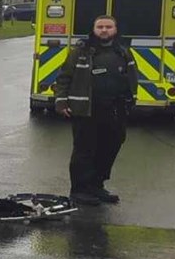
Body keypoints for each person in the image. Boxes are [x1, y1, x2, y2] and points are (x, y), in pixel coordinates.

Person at [54, 14, 137, 206]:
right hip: (87, 109)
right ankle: (79, 190)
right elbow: (64, 77)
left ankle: (96, 186)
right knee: (85, 150)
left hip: (115, 109)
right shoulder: (81, 51)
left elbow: (132, 77)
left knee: (110, 147)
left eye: (108, 27)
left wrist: (131, 99)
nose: (104, 30)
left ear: (115, 30)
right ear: (93, 30)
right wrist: (61, 102)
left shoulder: (123, 51)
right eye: (100, 27)